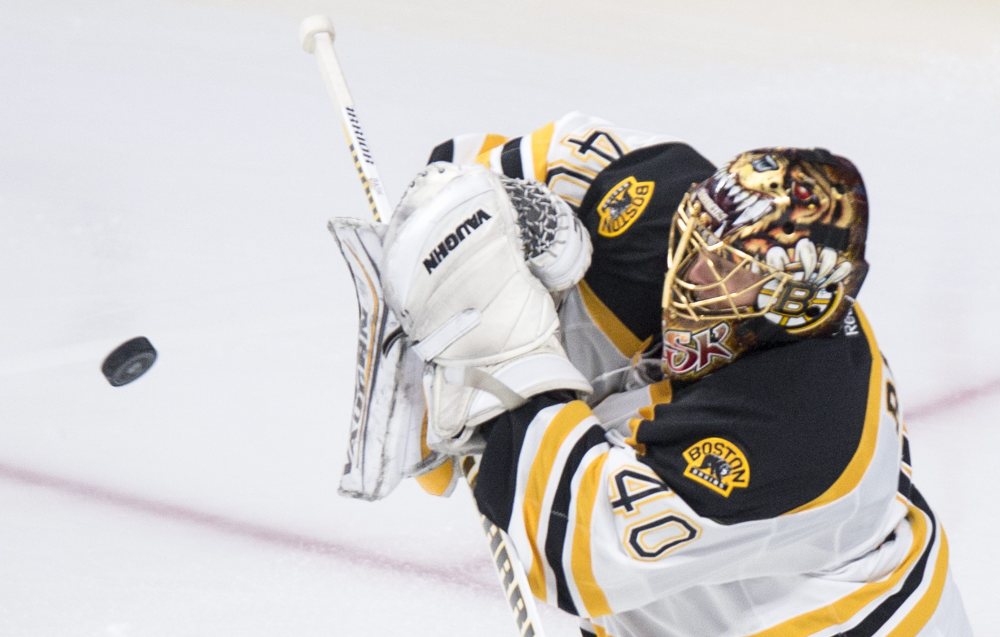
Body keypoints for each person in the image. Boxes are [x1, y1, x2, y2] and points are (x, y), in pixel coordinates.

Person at [379, 113, 972, 635]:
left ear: (800, 303)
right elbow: (547, 154)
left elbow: (577, 550)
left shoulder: (799, 423)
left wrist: (500, 360)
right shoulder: (666, 203)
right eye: (694, 242)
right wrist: (492, 210)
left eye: (728, 273)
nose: (690, 278)